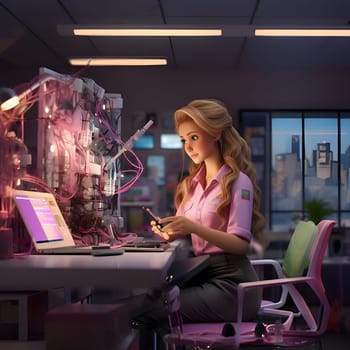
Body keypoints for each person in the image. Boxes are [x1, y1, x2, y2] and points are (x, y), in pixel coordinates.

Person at [129, 99, 267, 349]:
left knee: (144, 309)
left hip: (233, 286)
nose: (188, 147)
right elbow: (185, 228)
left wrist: (192, 228)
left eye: (194, 137)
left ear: (215, 134)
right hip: (202, 275)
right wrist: (169, 232)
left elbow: (239, 245)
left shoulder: (238, 182)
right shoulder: (193, 185)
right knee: (144, 307)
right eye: (184, 140)